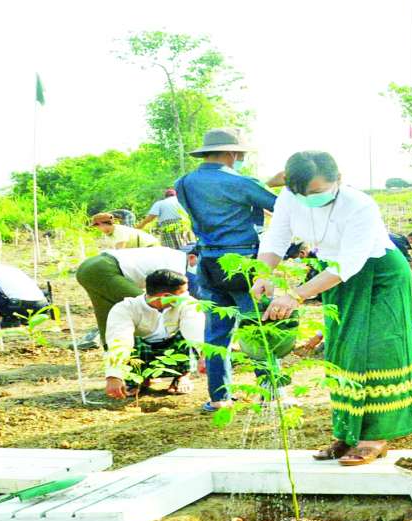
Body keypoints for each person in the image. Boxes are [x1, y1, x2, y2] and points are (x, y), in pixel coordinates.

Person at [254, 150, 412, 466]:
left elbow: (351, 261)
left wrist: (295, 295)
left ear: (338, 181)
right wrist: (262, 276)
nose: (308, 199)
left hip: (378, 275)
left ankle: (374, 437)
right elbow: (275, 239)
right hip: (333, 277)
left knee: (379, 352)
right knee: (343, 351)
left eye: (318, 192)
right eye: (301, 192)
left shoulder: (359, 205)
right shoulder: (289, 199)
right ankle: (347, 434)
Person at [175, 128, 277, 412]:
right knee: (258, 327)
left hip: (207, 260)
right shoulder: (242, 182)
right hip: (241, 261)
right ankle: (271, 392)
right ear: (233, 153)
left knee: (216, 331)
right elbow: (278, 206)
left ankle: (219, 398)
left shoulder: (183, 183)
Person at [102, 269, 204, 399]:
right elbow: (119, 341)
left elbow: (195, 333)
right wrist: (113, 375)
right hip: (142, 351)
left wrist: (204, 356)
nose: (187, 295)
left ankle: (182, 376)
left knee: (185, 340)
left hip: (172, 350)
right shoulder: (125, 308)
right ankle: (140, 380)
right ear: (166, 296)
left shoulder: (188, 303)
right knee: (132, 343)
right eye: (182, 293)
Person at [75, 246, 192, 349]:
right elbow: (167, 298)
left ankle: (110, 352)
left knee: (106, 312)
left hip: (89, 267)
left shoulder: (172, 254)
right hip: (103, 269)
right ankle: (157, 347)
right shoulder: (177, 266)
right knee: (146, 305)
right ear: (192, 257)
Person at [91, 212, 160, 249]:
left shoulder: (119, 230)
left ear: (101, 224)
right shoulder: (107, 235)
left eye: (97, 226)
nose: (98, 229)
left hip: (151, 247)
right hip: (140, 250)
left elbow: (120, 251)